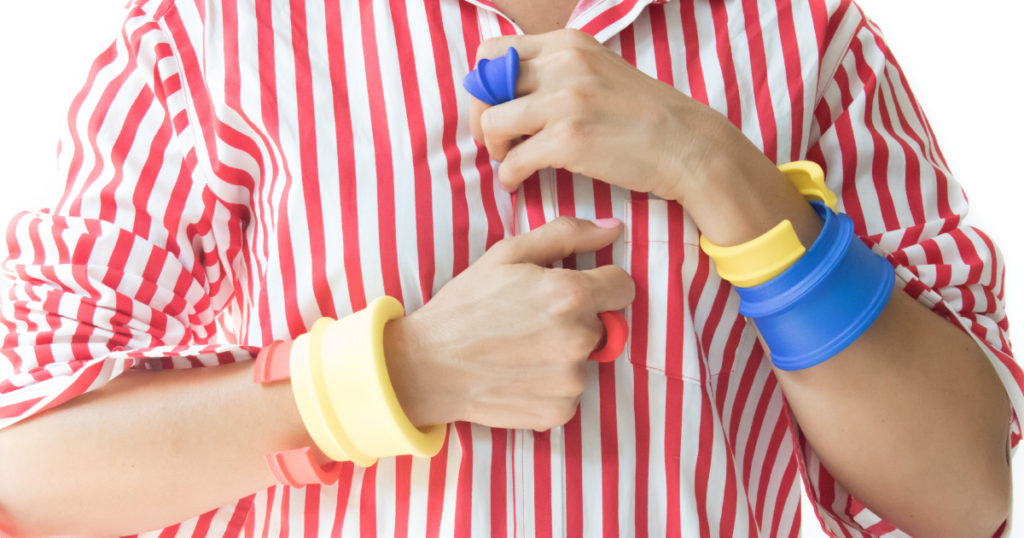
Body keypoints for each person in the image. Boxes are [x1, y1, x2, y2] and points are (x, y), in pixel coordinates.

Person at [0, 0, 1018, 536]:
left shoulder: (807, 34)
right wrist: (397, 375)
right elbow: (30, 470)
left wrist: (719, 171)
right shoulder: (214, 34)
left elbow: (965, 493)